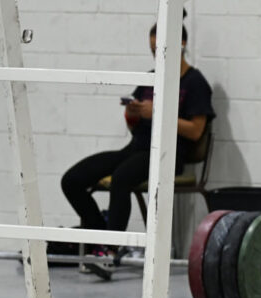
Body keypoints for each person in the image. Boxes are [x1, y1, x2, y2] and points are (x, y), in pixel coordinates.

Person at [60, 14, 214, 276]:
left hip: (169, 154)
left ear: (182, 44)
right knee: (72, 179)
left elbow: (196, 131)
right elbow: (135, 124)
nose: (157, 54)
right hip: (137, 148)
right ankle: (100, 235)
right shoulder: (151, 78)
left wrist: (158, 113)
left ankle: (110, 250)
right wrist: (133, 113)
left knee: (122, 179)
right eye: (153, 49)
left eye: (161, 49)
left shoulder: (195, 83)